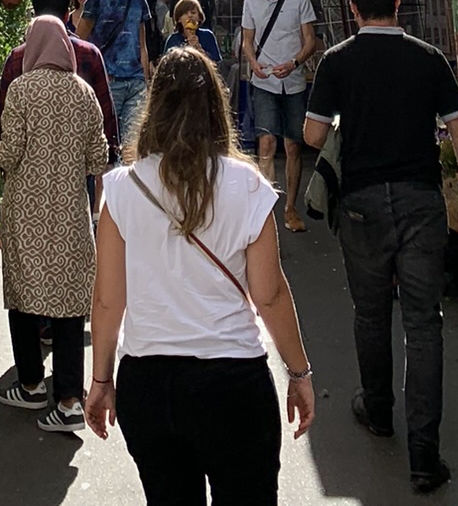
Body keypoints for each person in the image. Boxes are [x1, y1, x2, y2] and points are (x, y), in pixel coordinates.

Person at [86, 46, 314, 504]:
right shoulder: (247, 185)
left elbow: (109, 301)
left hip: (149, 381)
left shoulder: (123, 189)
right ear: (216, 107)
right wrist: (299, 372)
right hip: (232, 380)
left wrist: (101, 381)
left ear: (154, 108)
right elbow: (269, 295)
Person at [302, 0, 458, 496]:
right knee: (424, 323)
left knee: (371, 312)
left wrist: (347, 122)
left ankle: (378, 409)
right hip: (420, 199)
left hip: (361, 202)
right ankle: (425, 455)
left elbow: (312, 133)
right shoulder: (428, 58)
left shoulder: (337, 61)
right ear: (398, 4)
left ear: (353, 10)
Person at [0, 14, 111, 433]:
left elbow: (9, 151)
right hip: (70, 216)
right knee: (69, 305)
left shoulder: (21, 89)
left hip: (25, 213)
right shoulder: (83, 92)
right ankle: (69, 401)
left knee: (23, 295)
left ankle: (29, 384)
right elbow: (99, 158)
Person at [0, 0, 120, 160]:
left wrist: (3, 159)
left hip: (26, 165)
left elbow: (3, 117)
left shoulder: (17, 57)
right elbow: (104, 110)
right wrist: (109, 157)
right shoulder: (89, 53)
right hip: (77, 162)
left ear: (34, 15)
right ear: (67, 15)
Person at [241, 0, 317, 234]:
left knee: (293, 145)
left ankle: (290, 207)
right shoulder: (251, 0)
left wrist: (295, 62)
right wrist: (253, 63)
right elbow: (247, 40)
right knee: (266, 144)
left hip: (293, 80)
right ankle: (267, 210)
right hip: (264, 80)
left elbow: (310, 40)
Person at [76, 0, 152, 144]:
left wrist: (145, 81)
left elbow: (142, 45)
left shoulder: (139, 1)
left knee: (132, 143)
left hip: (136, 82)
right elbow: (80, 42)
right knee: (106, 141)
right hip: (108, 81)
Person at [164, 0, 222, 66]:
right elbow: (166, 65)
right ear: (179, 19)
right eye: (185, 13)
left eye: (193, 12)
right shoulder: (173, 39)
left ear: (199, 17)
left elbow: (216, 64)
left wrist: (199, 49)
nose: (190, 15)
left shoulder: (207, 36)